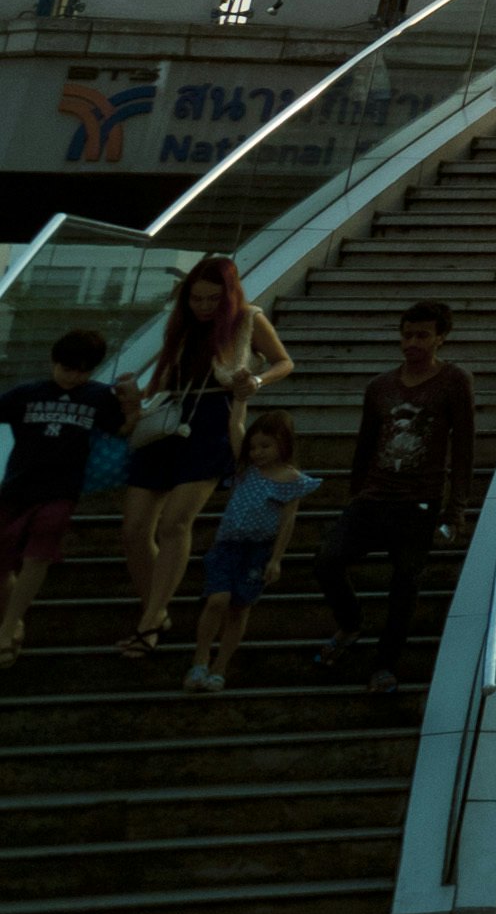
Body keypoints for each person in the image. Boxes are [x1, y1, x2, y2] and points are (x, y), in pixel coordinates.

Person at [115, 252, 293, 661]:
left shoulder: (247, 319)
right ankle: (155, 610)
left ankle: (150, 621)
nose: (204, 306)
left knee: (175, 522)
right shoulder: (182, 325)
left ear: (228, 297)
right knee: (133, 529)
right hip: (168, 420)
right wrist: (136, 397)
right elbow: (167, 378)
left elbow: (285, 361)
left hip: (214, 422)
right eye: (197, 298)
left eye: (213, 299)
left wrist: (257, 380)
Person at [323, 300, 482, 692]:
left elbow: (464, 448)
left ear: (440, 338)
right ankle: (351, 622)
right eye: (407, 335)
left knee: (405, 582)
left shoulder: (453, 381)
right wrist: (355, 495)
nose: (412, 343)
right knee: (327, 560)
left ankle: (385, 665)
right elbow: (365, 444)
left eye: (422, 335)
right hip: (374, 496)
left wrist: (455, 509)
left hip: (419, 501)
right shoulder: (380, 387)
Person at [0, 325, 122, 668]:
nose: (72, 377)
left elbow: (122, 429)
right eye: (67, 368)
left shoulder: (99, 397)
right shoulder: (27, 393)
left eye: (82, 371)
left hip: (61, 490)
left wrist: (130, 402)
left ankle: (7, 629)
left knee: (38, 554)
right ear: (54, 362)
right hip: (17, 487)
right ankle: (12, 621)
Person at [185, 412, 316, 692]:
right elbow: (235, 425)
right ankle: (200, 659)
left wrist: (276, 558)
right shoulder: (246, 468)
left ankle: (220, 667)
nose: (258, 452)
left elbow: (287, 521)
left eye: (265, 446)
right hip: (228, 545)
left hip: (258, 551)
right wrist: (240, 398)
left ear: (284, 444)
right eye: (254, 447)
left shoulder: (293, 480)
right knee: (217, 599)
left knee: (240, 607)